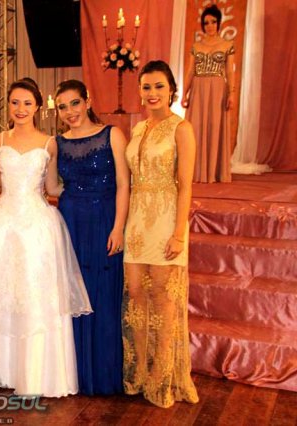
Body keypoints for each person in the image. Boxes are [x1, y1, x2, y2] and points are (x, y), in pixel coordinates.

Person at [0, 79, 92, 397]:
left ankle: (35, 377)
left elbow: (52, 187)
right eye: (14, 102)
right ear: (8, 105)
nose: (20, 109)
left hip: (36, 228)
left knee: (35, 297)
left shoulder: (50, 143)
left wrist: (87, 191)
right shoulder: (0, 138)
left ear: (37, 107)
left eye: (27, 103)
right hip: (2, 225)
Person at [123, 60, 199, 408]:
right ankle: (139, 369)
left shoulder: (181, 128)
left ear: (171, 90)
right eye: (146, 87)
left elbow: (186, 185)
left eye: (158, 86)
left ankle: (161, 375)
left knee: (163, 301)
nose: (152, 93)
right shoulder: (138, 129)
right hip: (137, 222)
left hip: (167, 221)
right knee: (136, 296)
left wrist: (179, 233)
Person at [55, 79, 130, 395]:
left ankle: (102, 374)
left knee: (102, 295)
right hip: (71, 223)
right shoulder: (57, 142)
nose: (69, 111)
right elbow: (52, 187)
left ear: (87, 101)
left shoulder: (112, 134)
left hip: (104, 222)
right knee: (74, 294)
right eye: (62, 107)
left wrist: (118, 227)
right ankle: (75, 375)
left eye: (74, 103)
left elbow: (124, 184)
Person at [182, 4, 235, 183]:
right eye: (206, 23)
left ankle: (213, 171)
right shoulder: (196, 46)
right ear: (203, 25)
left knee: (214, 126)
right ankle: (196, 171)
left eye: (213, 22)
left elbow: (230, 72)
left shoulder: (227, 45)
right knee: (195, 128)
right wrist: (184, 93)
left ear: (218, 23)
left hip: (218, 90)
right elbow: (190, 71)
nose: (210, 25)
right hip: (198, 90)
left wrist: (231, 93)